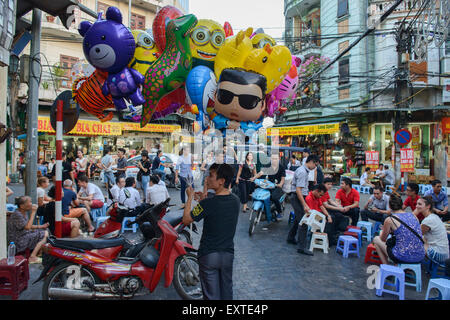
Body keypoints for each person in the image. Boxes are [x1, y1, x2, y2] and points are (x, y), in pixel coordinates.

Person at [182, 163, 239, 300]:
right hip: (227, 255)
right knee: (227, 295)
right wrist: (205, 191)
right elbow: (208, 206)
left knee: (211, 296)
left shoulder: (208, 204)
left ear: (222, 181)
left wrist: (189, 197)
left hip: (209, 256)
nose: (207, 178)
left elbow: (186, 219)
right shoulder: (235, 201)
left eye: (211, 175)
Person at [372, 194, 425, 265]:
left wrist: (383, 231)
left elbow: (383, 239)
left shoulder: (390, 219)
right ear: (402, 205)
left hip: (403, 256)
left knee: (376, 239)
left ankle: (386, 266)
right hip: (420, 255)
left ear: (390, 206)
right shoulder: (413, 216)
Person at [286, 154, 318, 256]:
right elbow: (298, 190)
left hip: (297, 197)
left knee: (298, 219)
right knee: (303, 222)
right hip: (297, 197)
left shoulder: (303, 170)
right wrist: (304, 204)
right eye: (315, 165)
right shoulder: (303, 172)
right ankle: (301, 247)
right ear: (311, 162)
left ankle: (290, 237)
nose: (315, 167)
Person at [7, 196, 49, 263]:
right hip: (18, 240)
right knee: (44, 234)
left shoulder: (23, 213)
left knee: (45, 231)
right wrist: (33, 212)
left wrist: (40, 226)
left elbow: (27, 225)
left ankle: (39, 254)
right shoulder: (17, 215)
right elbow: (27, 227)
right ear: (22, 206)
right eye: (30, 202)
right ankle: (32, 257)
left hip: (24, 235)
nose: (31, 204)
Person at [417, 196, 449, 265]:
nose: (417, 206)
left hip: (439, 254)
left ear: (428, 206)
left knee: (413, 245)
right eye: (417, 204)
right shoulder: (434, 216)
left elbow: (417, 235)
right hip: (444, 252)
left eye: (419, 204)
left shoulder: (428, 220)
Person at [262, 152, 286, 220]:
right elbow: (262, 174)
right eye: (272, 158)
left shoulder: (281, 167)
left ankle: (279, 212)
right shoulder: (267, 165)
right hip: (269, 185)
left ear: (278, 159)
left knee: (274, 198)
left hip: (277, 186)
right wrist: (256, 180)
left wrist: (280, 184)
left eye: (275, 159)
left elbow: (283, 178)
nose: (274, 160)